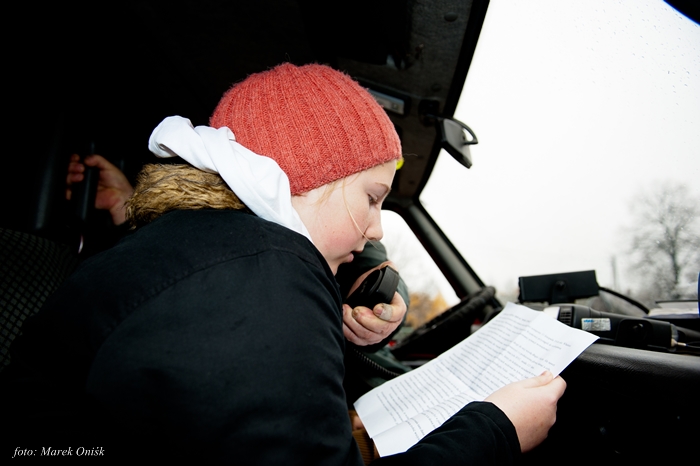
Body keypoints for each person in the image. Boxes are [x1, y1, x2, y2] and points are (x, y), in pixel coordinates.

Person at [1, 63, 565, 464]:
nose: (376, 229)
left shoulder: (217, 252)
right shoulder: (264, 269)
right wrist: (496, 431)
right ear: (303, 176)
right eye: (372, 198)